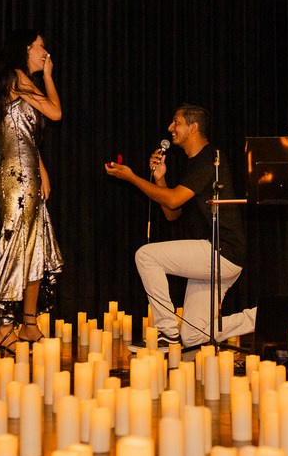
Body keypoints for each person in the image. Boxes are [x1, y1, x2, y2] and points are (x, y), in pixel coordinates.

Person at [104, 104, 256, 347]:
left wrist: (133, 178)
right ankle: (260, 317)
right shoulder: (196, 163)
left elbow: (173, 199)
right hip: (214, 258)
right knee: (193, 335)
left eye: (176, 122)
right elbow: (172, 213)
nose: (170, 128)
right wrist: (161, 179)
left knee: (146, 256)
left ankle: (165, 331)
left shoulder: (210, 158)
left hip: (221, 252)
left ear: (193, 127)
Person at [0, 30, 63, 351]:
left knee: (36, 246)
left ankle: (29, 324)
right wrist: (50, 77)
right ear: (26, 48)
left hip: (28, 171)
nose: (45, 52)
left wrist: (42, 173)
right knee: (17, 246)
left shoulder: (22, 83)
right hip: (16, 175)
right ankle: (3, 327)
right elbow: (55, 112)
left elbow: (27, 136)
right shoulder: (17, 78)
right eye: (42, 46)